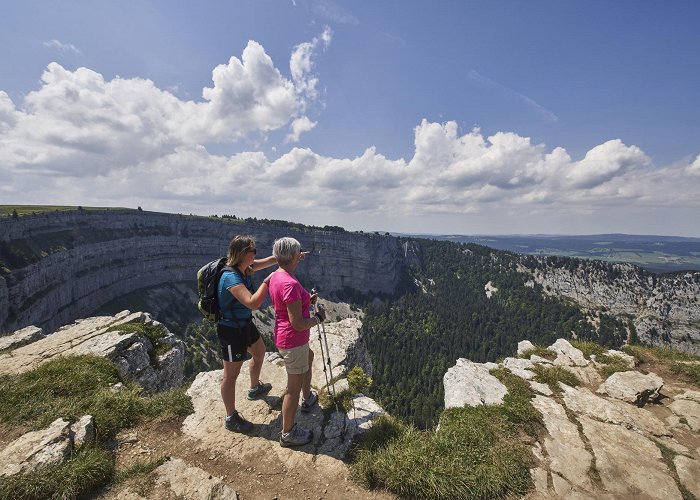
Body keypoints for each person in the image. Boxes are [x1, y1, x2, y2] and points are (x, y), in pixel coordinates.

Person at [268, 237, 326, 447]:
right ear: (292, 255)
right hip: (293, 340)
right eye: (298, 252)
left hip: (285, 337)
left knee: (308, 357)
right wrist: (319, 318)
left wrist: (306, 300)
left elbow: (287, 304)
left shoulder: (276, 275)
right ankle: (288, 433)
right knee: (291, 389)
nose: (301, 255)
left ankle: (308, 396)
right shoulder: (290, 283)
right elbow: (299, 324)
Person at [218, 235, 277, 433]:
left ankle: (254, 388)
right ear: (243, 254)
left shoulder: (246, 268)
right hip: (230, 330)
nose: (256, 255)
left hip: (244, 324)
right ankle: (230, 417)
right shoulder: (231, 277)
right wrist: (268, 282)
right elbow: (252, 302)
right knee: (230, 376)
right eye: (253, 251)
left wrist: (290, 256)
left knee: (260, 352)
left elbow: (270, 261)